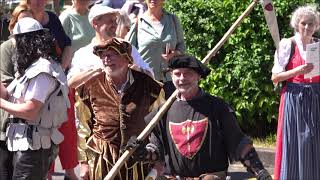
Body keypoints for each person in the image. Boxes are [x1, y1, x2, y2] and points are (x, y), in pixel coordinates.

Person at [125, 55, 273, 180]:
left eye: (188, 73)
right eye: (177, 74)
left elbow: (239, 144)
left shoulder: (217, 107)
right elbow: (156, 149)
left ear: (198, 76)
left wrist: (260, 171)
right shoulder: (162, 112)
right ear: (171, 76)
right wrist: (143, 152)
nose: (182, 78)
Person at [75, 37, 164, 180]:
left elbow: (160, 125)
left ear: (127, 58)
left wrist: (158, 158)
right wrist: (83, 162)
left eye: (112, 54)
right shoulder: (88, 88)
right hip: (102, 158)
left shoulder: (150, 86)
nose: (106, 59)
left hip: (138, 157)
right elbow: (83, 127)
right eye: (103, 55)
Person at [0, 17, 70, 180]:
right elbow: (9, 97)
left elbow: (30, 111)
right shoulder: (32, 68)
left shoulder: (43, 70)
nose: (15, 47)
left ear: (26, 42)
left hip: (35, 148)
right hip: (26, 144)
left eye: (17, 42)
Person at [271, 5, 320, 180]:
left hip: (316, 97)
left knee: (314, 142)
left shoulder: (318, 45)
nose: (307, 27)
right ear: (296, 24)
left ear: (316, 26)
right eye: (303, 23)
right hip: (294, 98)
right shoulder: (287, 44)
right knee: (294, 142)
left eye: (311, 24)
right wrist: (298, 71)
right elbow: (275, 77)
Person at [0, 5, 33, 180]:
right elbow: (6, 89)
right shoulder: (6, 48)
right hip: (7, 121)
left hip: (31, 125)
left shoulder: (36, 50)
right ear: (13, 26)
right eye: (22, 22)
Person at [126, 0, 186, 82]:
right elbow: (128, 52)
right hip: (145, 80)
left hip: (170, 80)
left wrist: (175, 53)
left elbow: (181, 45)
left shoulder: (173, 20)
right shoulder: (137, 22)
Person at [20, 0, 73, 70]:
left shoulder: (53, 18)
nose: (40, 1)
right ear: (28, 1)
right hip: (33, 73)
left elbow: (67, 45)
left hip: (59, 71)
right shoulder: (24, 18)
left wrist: (61, 70)